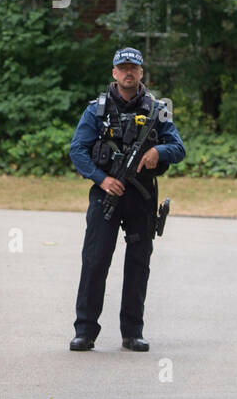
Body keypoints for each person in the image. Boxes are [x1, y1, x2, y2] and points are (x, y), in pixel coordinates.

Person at [68, 46, 185, 352]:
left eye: (134, 68)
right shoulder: (96, 109)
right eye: (123, 68)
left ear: (141, 73)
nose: (128, 72)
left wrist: (157, 151)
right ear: (114, 73)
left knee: (137, 264)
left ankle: (132, 332)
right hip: (106, 193)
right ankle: (85, 331)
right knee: (94, 261)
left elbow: (179, 148)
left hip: (141, 196)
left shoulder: (157, 109)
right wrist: (101, 178)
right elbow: (77, 150)